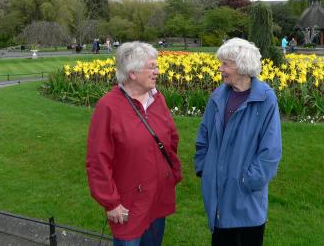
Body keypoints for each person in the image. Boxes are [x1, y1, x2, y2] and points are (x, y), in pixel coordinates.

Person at [86, 41, 182, 246]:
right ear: (132, 73)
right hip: (129, 204)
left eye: (156, 66)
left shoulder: (157, 99)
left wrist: (171, 173)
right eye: (152, 67)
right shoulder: (108, 107)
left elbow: (171, 139)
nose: (157, 71)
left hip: (158, 197)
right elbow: (98, 160)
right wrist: (110, 202)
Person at [194, 38, 282, 246]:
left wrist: (249, 181)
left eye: (226, 64)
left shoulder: (265, 99)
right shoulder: (218, 96)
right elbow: (203, 135)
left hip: (246, 198)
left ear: (242, 66)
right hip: (218, 194)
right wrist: (204, 168)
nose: (220, 68)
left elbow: (271, 151)